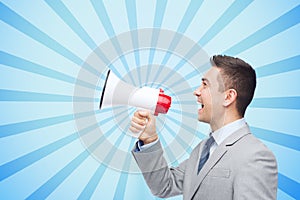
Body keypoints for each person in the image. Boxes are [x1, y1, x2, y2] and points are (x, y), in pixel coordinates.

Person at [130, 55, 278, 200]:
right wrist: (150, 139)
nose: (197, 91)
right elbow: (165, 186)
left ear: (228, 97)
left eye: (205, 85)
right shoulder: (202, 150)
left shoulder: (256, 156)